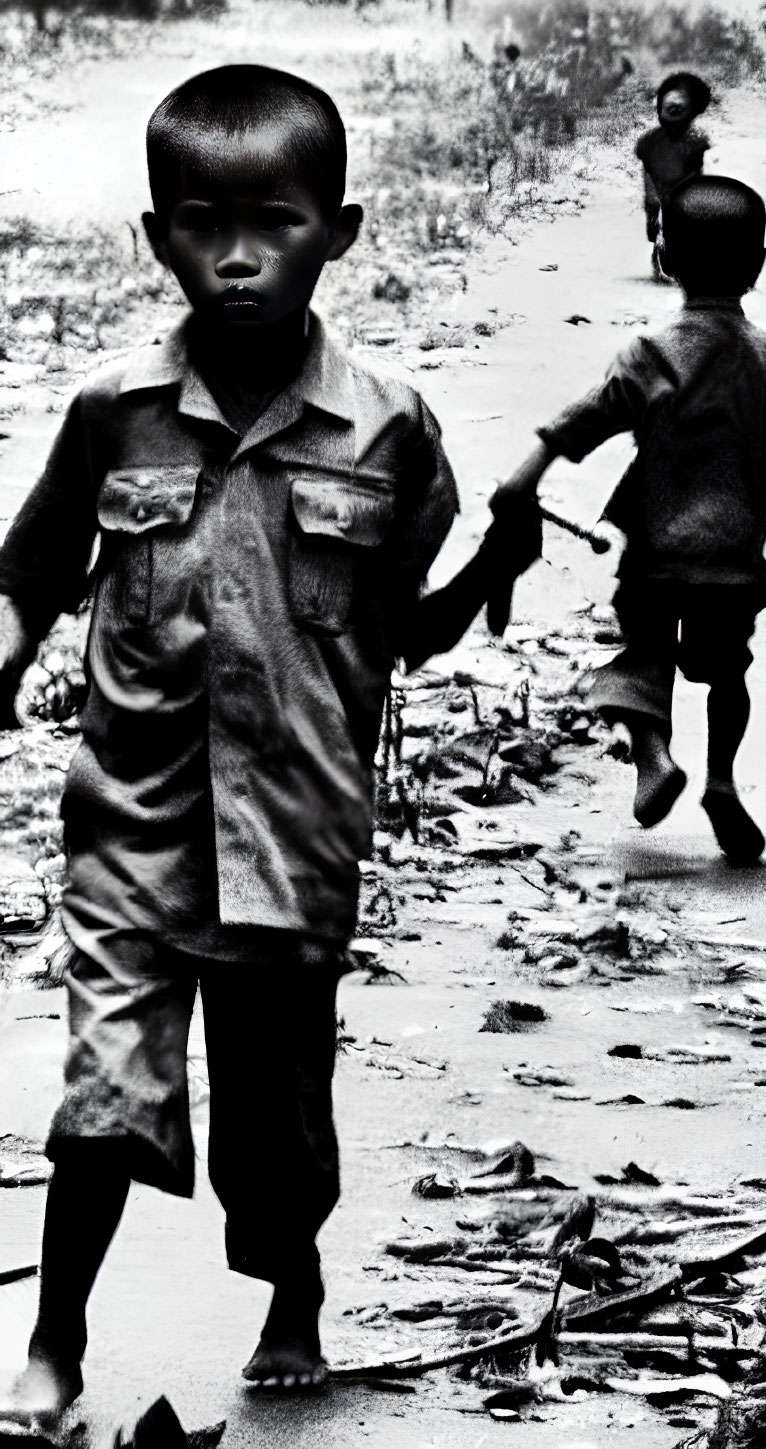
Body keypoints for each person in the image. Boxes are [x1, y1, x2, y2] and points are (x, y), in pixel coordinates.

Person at [0, 65, 460, 1421]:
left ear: (344, 228)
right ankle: (57, 1335)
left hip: (297, 830)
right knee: (104, 1092)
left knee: (275, 1119)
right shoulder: (111, 409)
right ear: (157, 236)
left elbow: (407, 614)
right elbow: (29, 569)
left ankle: (292, 1286)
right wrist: (12, 649)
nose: (240, 255)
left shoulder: (387, 424)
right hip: (132, 825)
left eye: (277, 222)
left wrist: (471, 582)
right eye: (202, 224)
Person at [488, 175, 766, 864]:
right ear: (759, 265)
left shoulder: (648, 352)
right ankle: (719, 780)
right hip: (732, 554)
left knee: (644, 657)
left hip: (655, 552)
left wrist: (523, 476)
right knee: (725, 671)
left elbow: (581, 422)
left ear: (665, 256)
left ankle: (653, 754)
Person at [634, 71, 711, 280]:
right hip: (659, 191)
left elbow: (698, 169)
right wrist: (651, 193)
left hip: (683, 193)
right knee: (658, 229)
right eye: (670, 107)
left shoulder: (694, 142)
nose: (675, 109)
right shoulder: (651, 142)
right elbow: (647, 169)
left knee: (682, 230)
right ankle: (660, 261)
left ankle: (679, 264)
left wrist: (696, 191)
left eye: (681, 107)